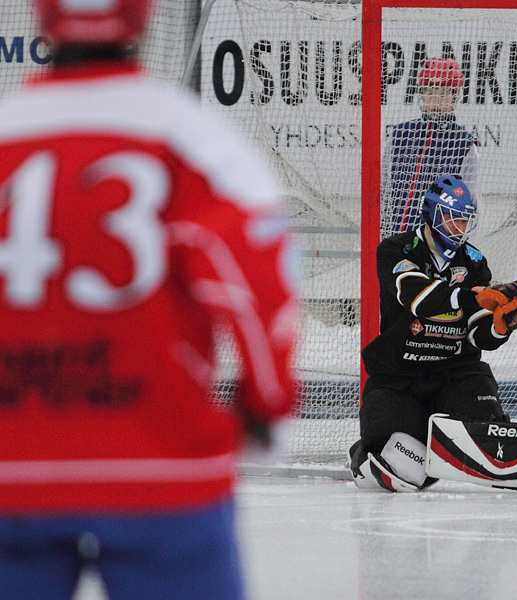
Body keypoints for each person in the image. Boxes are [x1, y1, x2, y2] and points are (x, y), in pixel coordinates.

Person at [0, 1, 300, 599]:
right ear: (142, 18)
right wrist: (267, 400)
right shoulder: (188, 134)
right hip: (163, 466)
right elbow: (254, 273)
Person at [348, 175, 517, 493]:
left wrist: (502, 324)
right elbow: (419, 299)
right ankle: (365, 454)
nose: (458, 228)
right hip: (400, 378)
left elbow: (477, 336)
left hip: (457, 374)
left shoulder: (473, 261)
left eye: (464, 220)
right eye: (451, 218)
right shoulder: (395, 250)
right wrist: (475, 296)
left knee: (490, 432)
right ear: (430, 214)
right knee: (405, 468)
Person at [381, 58, 479, 237]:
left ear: (455, 97)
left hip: (438, 243)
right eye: (431, 93)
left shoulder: (464, 144)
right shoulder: (400, 135)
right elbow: (382, 188)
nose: (436, 101)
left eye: (443, 94)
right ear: (422, 95)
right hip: (397, 240)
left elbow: (471, 200)